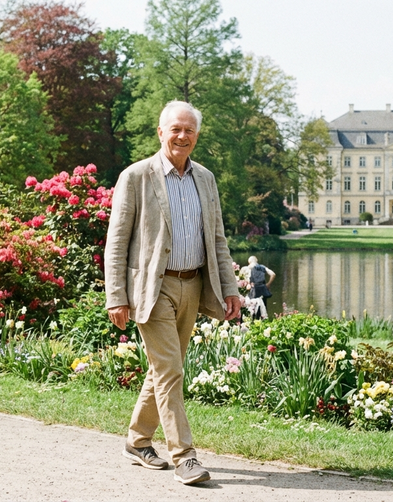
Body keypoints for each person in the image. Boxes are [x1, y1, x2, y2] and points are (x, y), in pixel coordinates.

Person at [105, 101, 241, 485]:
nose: (183, 136)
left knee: (164, 370)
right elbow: (116, 242)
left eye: (189, 130)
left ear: (197, 135)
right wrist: (116, 295)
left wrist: (229, 289)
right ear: (160, 132)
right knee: (171, 371)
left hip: (194, 284)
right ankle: (185, 457)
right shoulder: (136, 177)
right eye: (175, 129)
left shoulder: (206, 179)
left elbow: (217, 238)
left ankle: (137, 440)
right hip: (152, 288)